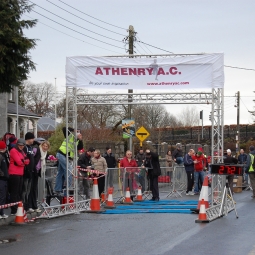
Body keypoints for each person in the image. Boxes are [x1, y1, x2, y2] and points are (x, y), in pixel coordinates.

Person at [54, 127, 83, 194]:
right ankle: (67, 189)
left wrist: (80, 140)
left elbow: (80, 148)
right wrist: (73, 129)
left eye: (79, 132)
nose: (77, 133)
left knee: (60, 172)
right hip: (62, 154)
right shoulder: (70, 135)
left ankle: (58, 189)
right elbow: (64, 128)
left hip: (65, 156)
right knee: (69, 170)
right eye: (77, 132)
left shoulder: (78, 141)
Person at [28, 140, 50, 213]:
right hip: (33, 171)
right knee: (31, 189)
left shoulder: (45, 153)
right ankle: (30, 206)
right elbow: (31, 159)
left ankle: (34, 206)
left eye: (46, 146)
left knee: (34, 189)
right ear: (41, 145)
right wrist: (32, 168)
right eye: (44, 145)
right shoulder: (36, 149)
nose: (45, 147)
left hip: (37, 172)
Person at [8, 139, 29, 215]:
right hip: (14, 174)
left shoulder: (22, 151)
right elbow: (19, 162)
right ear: (17, 144)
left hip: (20, 173)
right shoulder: (13, 151)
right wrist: (24, 162)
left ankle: (17, 208)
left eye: (22, 145)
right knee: (14, 192)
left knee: (19, 192)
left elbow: (27, 161)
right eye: (20, 145)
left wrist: (23, 162)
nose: (21, 146)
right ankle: (13, 210)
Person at [22, 132, 41, 212]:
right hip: (26, 172)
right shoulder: (25, 147)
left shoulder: (30, 147)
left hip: (32, 171)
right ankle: (25, 206)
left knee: (30, 190)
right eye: (32, 138)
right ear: (29, 138)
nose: (33, 140)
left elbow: (35, 158)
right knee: (25, 190)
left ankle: (29, 206)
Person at [0, 141, 9, 219]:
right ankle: (1, 213)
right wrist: (2, 174)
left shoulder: (3, 156)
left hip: (4, 179)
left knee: (3, 196)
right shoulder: (1, 156)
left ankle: (2, 213)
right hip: (1, 179)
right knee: (1, 196)